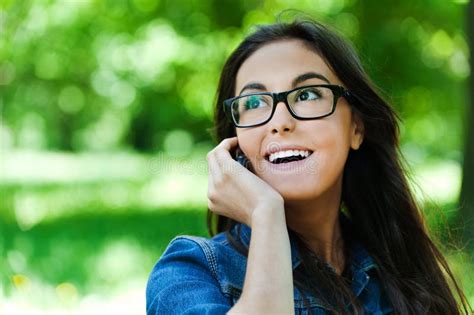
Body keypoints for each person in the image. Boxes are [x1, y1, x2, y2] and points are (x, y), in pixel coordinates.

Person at [146, 18, 472, 314]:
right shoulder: (191, 273)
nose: (280, 122)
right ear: (235, 138)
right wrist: (265, 214)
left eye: (307, 95)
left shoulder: (399, 272)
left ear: (356, 128)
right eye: (255, 102)